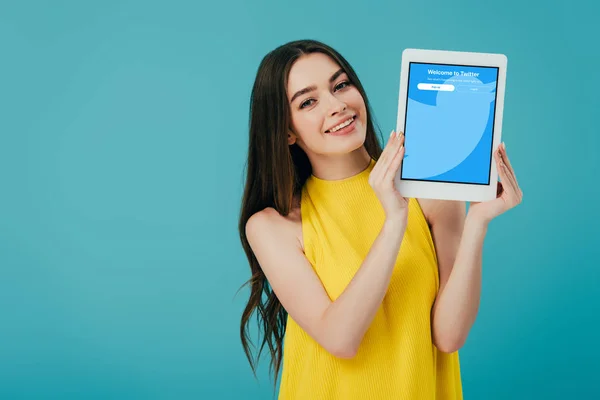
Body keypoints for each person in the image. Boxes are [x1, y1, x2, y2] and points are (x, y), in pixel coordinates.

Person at [237, 39, 523, 400]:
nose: (338, 105)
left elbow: (449, 337)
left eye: (341, 85)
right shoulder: (272, 225)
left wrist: (478, 221)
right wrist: (394, 220)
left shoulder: (432, 192)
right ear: (287, 131)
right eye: (308, 101)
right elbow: (340, 338)